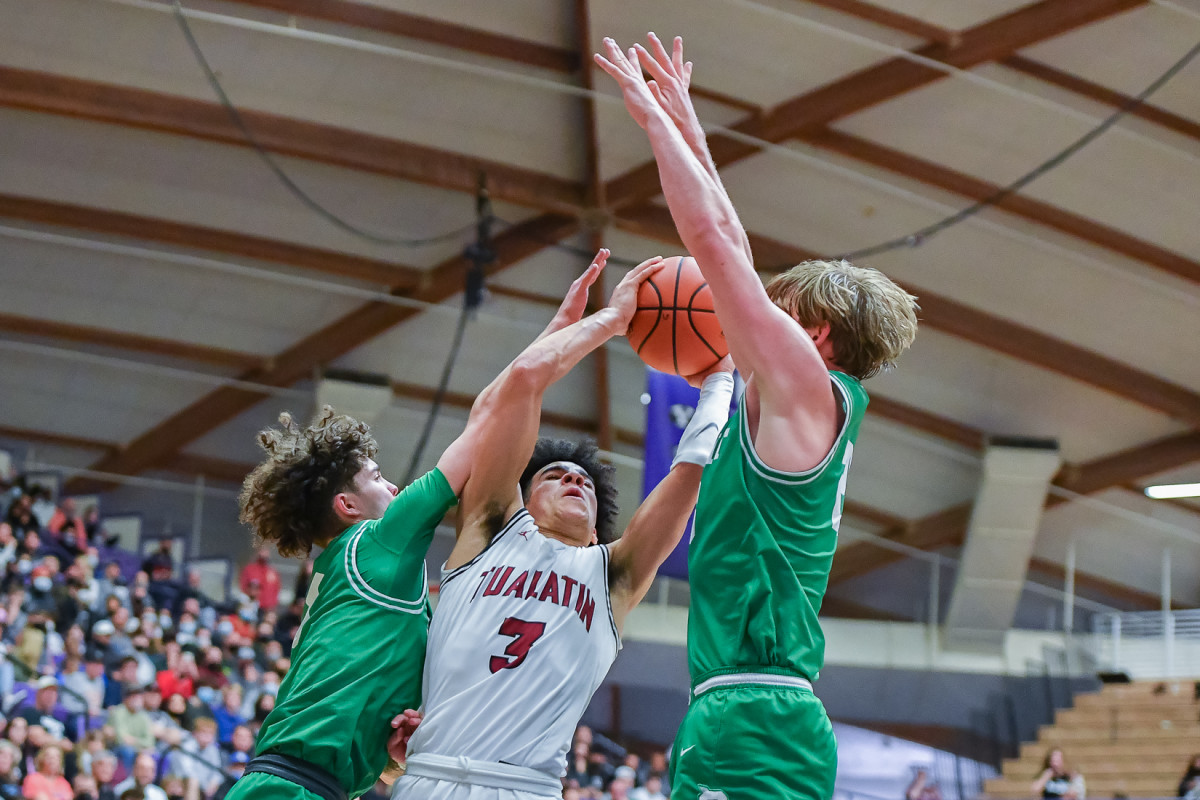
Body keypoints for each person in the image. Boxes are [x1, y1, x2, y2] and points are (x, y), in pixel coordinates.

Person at [595, 33, 920, 800]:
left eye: (780, 312)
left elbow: (712, 247)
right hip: (742, 708)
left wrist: (651, 125)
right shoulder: (799, 396)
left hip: (757, 716)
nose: (748, 318)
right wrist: (690, 128)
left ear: (815, 336)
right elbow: (731, 247)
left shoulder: (809, 390)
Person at [227, 252, 658, 800]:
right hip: (293, 788)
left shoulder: (373, 578)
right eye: (377, 478)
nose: (392, 487)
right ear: (347, 506)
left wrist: (555, 331)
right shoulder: (375, 544)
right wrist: (602, 323)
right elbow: (488, 421)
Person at [388, 267, 734, 798]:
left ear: (598, 529)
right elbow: (525, 381)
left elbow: (691, 470)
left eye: (587, 484)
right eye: (557, 475)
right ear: (521, 499)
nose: (575, 479)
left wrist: (720, 380)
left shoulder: (613, 573)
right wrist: (609, 321)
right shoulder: (489, 529)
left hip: (530, 787)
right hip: (431, 775)